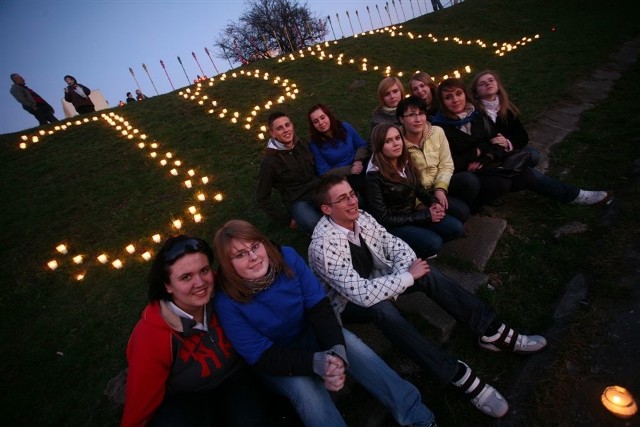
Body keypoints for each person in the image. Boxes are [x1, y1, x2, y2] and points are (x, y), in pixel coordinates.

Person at [309, 175, 549, 419]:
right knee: (381, 309)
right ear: (327, 209)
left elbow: (398, 246)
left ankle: (491, 331)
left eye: (352, 194)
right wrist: (405, 279)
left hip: (377, 280)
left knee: (425, 271)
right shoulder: (322, 246)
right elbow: (359, 294)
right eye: (342, 199)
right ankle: (455, 374)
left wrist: (408, 273)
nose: (352, 202)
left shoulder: (362, 216)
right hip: (346, 304)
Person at [213, 219, 437, 427]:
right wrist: (318, 363)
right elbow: (263, 356)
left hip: (309, 333)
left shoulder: (287, 258)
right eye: (240, 255)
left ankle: (416, 414)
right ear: (228, 265)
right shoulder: (226, 301)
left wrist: (336, 353)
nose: (253, 257)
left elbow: (319, 307)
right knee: (306, 390)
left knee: (352, 346)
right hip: (275, 359)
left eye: (255, 246)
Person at [122, 235, 275, 426]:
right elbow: (141, 399)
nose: (200, 283)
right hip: (186, 397)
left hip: (235, 379)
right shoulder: (152, 334)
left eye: (204, 271)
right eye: (186, 277)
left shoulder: (225, 291)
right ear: (167, 285)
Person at [432, 78, 610, 208]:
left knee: (528, 175)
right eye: (448, 97)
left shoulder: (477, 115)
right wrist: (478, 152)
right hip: (465, 174)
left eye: (458, 94)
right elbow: (449, 162)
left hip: (488, 164)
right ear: (442, 102)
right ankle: (474, 206)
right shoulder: (440, 127)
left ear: (465, 95)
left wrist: (485, 154)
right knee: (500, 183)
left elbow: (496, 142)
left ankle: (574, 195)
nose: (455, 100)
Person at [366, 122, 465, 258]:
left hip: (414, 214)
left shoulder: (404, 160)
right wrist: (425, 216)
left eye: (397, 138)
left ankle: (420, 239)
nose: (396, 143)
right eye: (388, 141)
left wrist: (433, 202)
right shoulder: (374, 177)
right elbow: (383, 218)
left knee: (456, 228)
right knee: (434, 243)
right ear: (379, 146)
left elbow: (418, 188)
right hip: (394, 226)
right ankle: (409, 254)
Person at [397, 96, 477, 222]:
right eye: (412, 115)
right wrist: (420, 203)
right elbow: (402, 182)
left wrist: (440, 189)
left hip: (440, 184)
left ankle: (449, 205)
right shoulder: (397, 144)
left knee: (469, 181)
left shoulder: (437, 132)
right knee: (460, 216)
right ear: (401, 119)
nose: (418, 119)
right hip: (419, 194)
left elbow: (446, 165)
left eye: (421, 114)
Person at [256, 111, 322, 234]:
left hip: (318, 190)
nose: (286, 130)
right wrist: (285, 219)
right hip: (298, 201)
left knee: (343, 207)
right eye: (279, 128)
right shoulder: (269, 161)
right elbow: (262, 198)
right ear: (272, 133)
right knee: (314, 224)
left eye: (287, 125)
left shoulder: (302, 144)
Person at [469, 70, 540, 167]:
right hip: (489, 157)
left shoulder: (507, 109)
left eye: (491, 80)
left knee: (533, 154)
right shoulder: (474, 113)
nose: (488, 84)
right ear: (476, 93)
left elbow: (522, 136)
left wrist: (506, 142)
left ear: (497, 86)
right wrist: (495, 143)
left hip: (509, 152)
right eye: (482, 83)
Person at [307, 103, 370, 197]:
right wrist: (350, 170)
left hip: (360, 164)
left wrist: (358, 160)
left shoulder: (345, 127)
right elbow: (323, 172)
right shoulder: (315, 144)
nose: (320, 122)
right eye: (316, 121)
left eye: (322, 117)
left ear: (328, 116)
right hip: (343, 175)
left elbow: (362, 145)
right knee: (364, 187)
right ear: (313, 126)